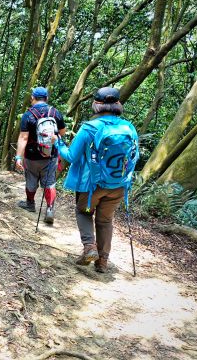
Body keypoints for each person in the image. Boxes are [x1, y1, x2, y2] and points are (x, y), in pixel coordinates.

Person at [54, 87, 138, 273]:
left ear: (96, 105)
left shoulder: (89, 127)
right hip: (118, 185)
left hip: (91, 185)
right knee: (105, 220)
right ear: (117, 104)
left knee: (83, 212)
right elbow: (133, 157)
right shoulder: (129, 128)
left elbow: (71, 156)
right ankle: (102, 262)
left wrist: (58, 142)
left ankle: (89, 247)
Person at [15, 87, 66, 224]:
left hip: (32, 155)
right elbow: (62, 132)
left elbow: (23, 137)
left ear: (32, 98)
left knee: (31, 178)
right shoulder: (55, 112)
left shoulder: (29, 115)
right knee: (49, 182)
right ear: (47, 98)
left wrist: (18, 157)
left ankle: (30, 204)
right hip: (51, 155)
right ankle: (49, 209)